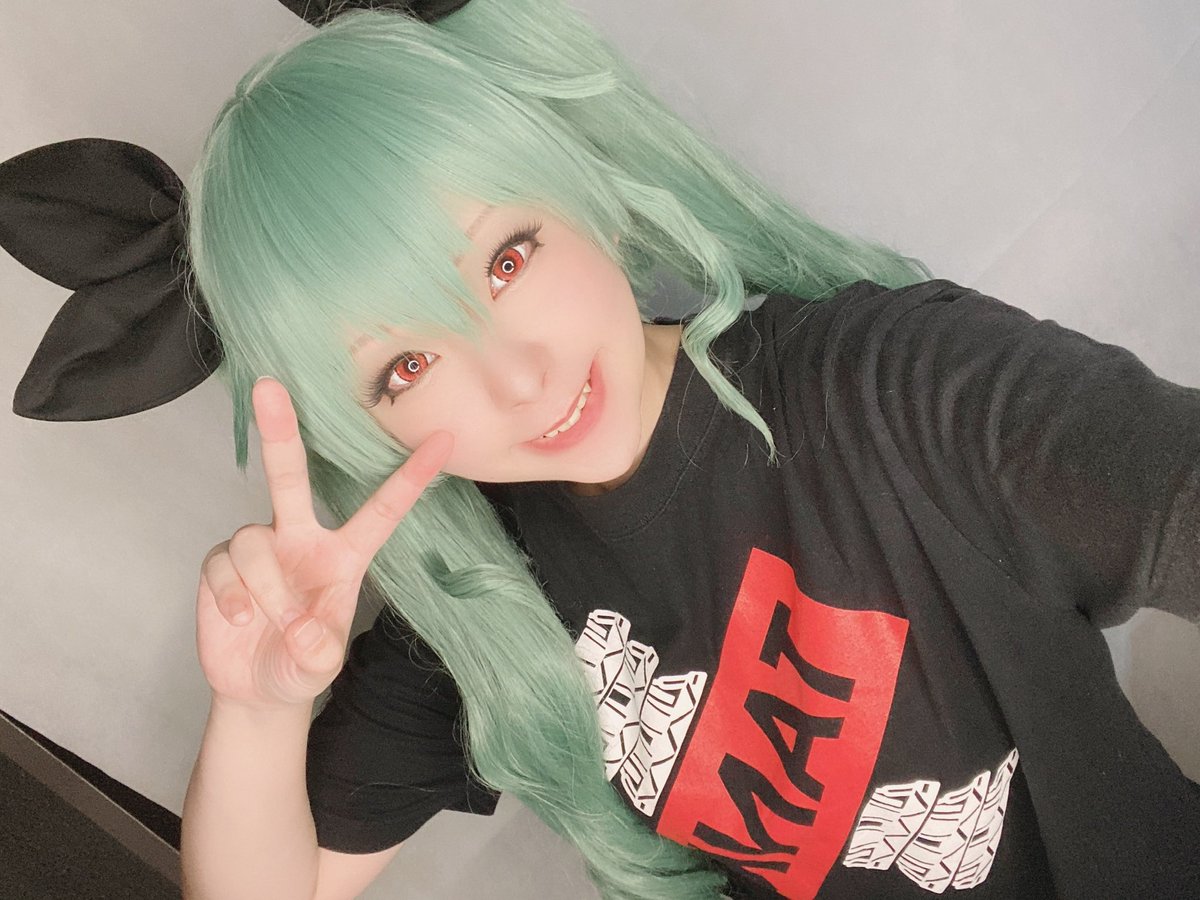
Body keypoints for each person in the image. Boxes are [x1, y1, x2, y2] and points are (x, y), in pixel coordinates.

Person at [173, 3, 1200, 899]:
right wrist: (259, 713)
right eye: (407, 366)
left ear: (574, 189)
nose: (518, 380)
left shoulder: (896, 383)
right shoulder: (489, 608)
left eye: (505, 260)